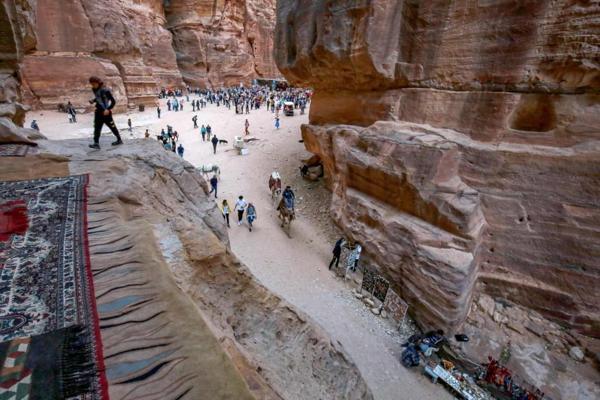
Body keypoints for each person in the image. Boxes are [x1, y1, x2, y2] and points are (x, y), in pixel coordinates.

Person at [88, 76, 122, 149]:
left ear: (98, 83)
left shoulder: (105, 91)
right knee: (97, 128)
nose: (93, 85)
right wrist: (93, 101)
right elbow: (99, 98)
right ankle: (96, 143)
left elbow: (113, 101)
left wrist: (108, 109)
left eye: (94, 84)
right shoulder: (94, 89)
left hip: (106, 113)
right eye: (92, 84)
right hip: (98, 112)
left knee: (112, 126)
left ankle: (119, 140)